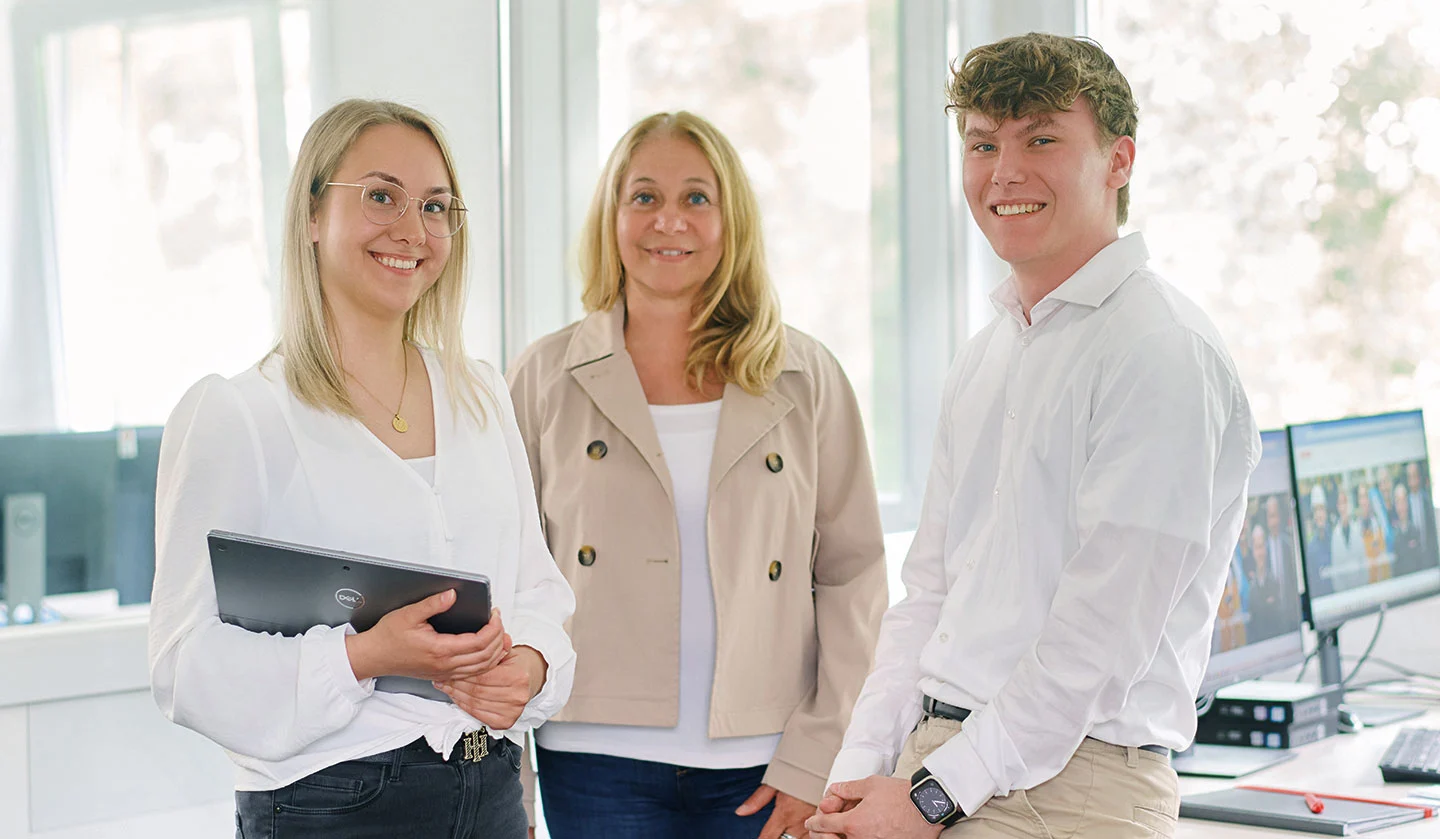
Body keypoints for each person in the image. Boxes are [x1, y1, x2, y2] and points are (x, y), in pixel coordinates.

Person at [804, 33, 1258, 839]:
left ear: (1119, 160)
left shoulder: (1158, 353)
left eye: (1041, 138)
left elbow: (1099, 638)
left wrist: (927, 797)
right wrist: (853, 778)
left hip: (1070, 787)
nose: (1004, 171)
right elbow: (930, 597)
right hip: (940, 758)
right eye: (983, 144)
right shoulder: (990, 352)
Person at [147, 99, 576, 839]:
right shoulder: (240, 414)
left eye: (435, 205)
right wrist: (362, 656)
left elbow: (536, 587)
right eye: (381, 196)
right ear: (313, 215)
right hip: (335, 806)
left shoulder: (481, 395)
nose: (412, 229)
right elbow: (183, 663)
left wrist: (532, 665)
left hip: (494, 791)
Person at [507, 111, 887, 839]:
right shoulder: (542, 376)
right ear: (610, 216)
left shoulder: (805, 377)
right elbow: (507, 583)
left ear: (730, 218)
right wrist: (510, 789)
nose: (668, 221)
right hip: (593, 754)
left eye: (696, 198)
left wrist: (819, 755)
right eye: (643, 196)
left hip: (767, 758)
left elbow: (855, 577)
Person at [1328, 485, 1368, 591]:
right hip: (1344, 593)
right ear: (1337, 506)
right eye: (1340, 503)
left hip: (1361, 588)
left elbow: (1363, 561)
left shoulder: (1357, 529)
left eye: (1345, 502)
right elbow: (1336, 569)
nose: (1343, 507)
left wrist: (1363, 588)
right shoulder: (1335, 535)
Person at [1304, 485, 1334, 598]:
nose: (1319, 514)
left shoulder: (1335, 539)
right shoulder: (1311, 548)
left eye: (1321, 509)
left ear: (1326, 511)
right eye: (1316, 510)